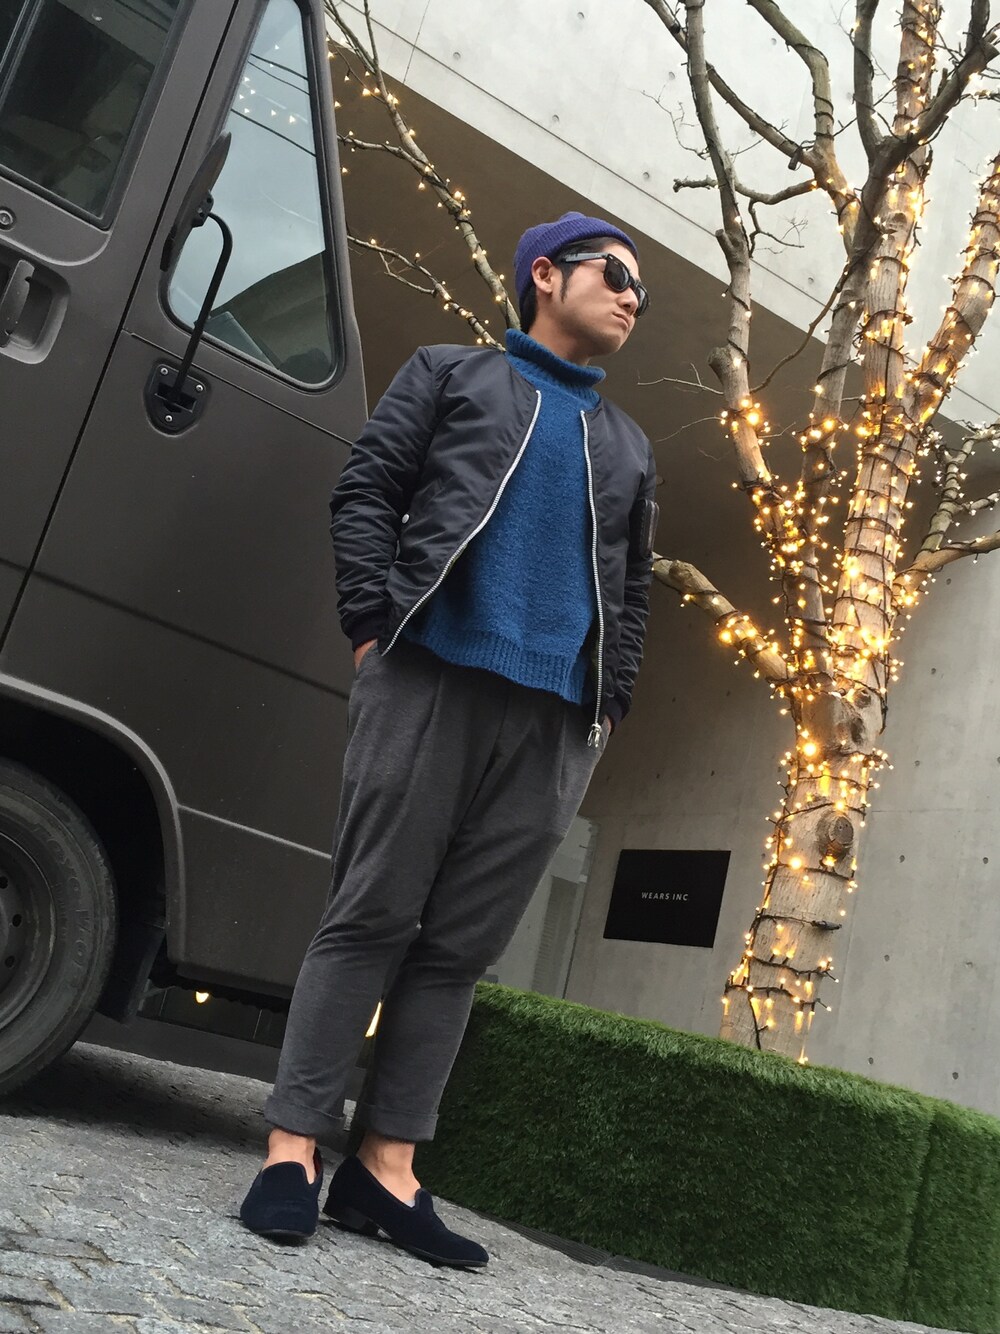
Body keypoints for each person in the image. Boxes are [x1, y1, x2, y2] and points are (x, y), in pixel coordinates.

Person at [239, 211, 658, 1265]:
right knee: (369, 914)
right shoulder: (449, 374)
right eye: (615, 273)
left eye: (641, 290)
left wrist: (610, 701)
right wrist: (370, 626)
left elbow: (632, 588)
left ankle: (387, 1170)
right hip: (429, 675)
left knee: (461, 948)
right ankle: (293, 1148)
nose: (631, 297)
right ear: (544, 275)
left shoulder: (628, 444)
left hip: (555, 720)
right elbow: (367, 490)